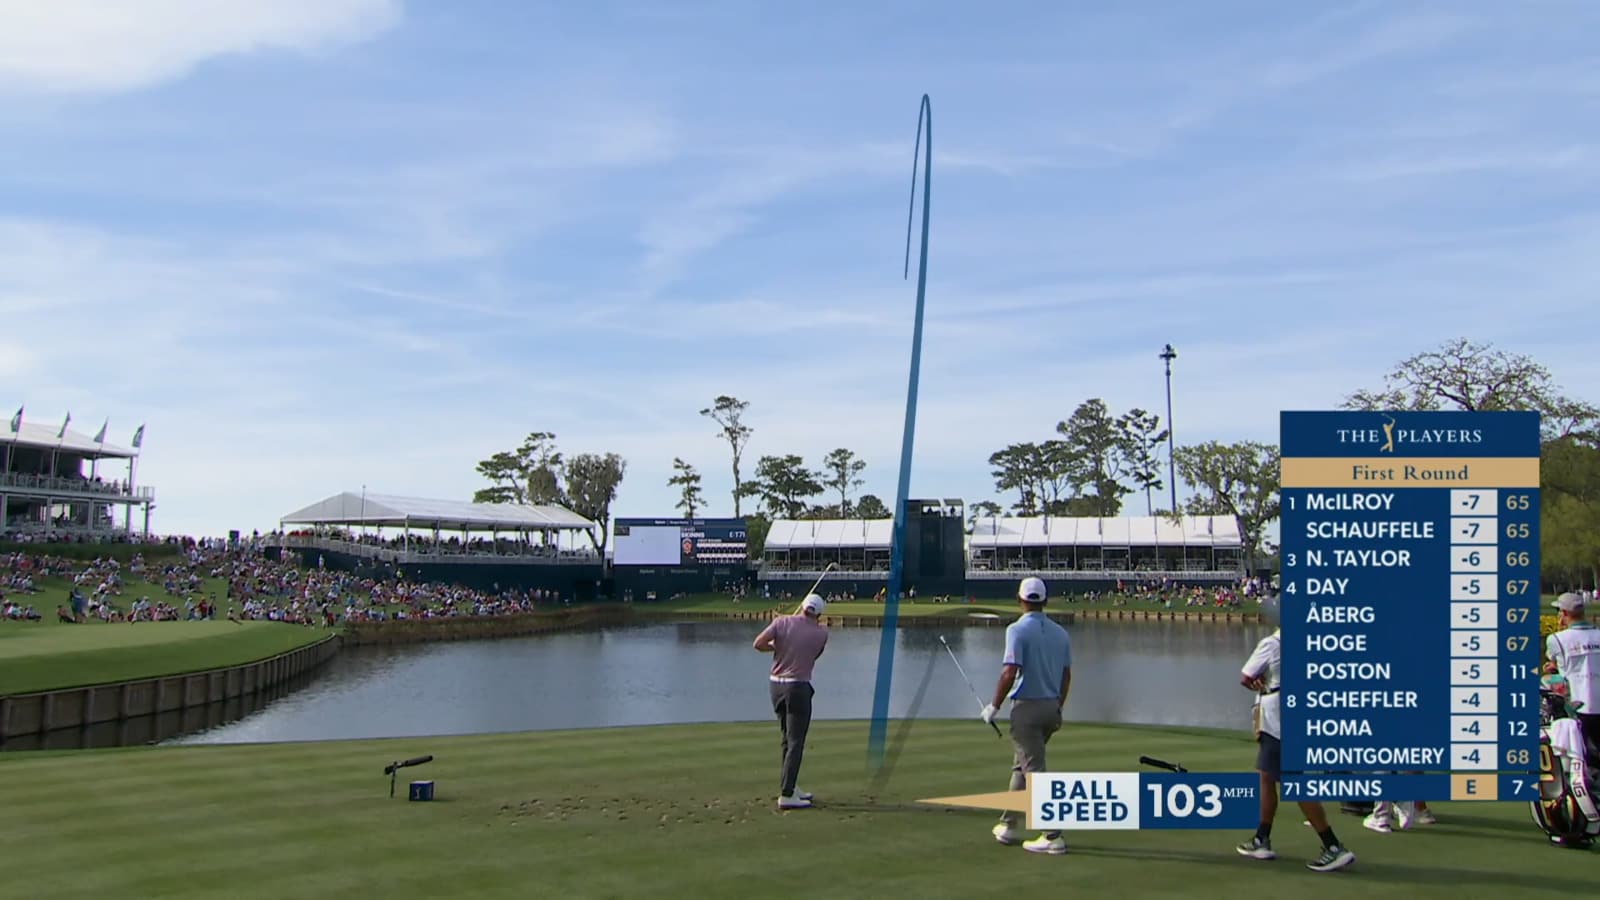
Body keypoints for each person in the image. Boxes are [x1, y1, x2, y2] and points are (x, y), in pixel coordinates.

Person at [1235, 597, 1357, 872]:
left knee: (1293, 781)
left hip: (1277, 718)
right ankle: (1261, 838)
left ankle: (1332, 845)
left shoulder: (1272, 643)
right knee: (1266, 776)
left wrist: (1259, 681)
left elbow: (1245, 676)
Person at [985, 577, 1073, 855]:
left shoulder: (1016, 630)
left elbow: (1009, 671)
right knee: (1021, 766)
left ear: (1020, 599)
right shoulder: (1061, 633)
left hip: (1026, 709)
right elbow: (1066, 675)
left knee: (1034, 770)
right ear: (1044, 601)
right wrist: (1058, 705)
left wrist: (994, 706)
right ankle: (1009, 824)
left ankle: (1052, 835)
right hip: (1052, 708)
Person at [753, 593, 830, 809]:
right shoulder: (821, 634)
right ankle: (787, 795)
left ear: (802, 606)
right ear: (820, 614)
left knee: (787, 739)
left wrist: (778, 645)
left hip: (775, 686)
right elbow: (813, 656)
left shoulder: (781, 622)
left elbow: (758, 644)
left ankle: (790, 785)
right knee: (796, 741)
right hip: (798, 687)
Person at [1545, 592, 1600, 759]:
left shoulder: (1556, 639)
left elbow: (1556, 664)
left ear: (1565, 613)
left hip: (1576, 706)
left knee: (1581, 756)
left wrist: (1554, 667)